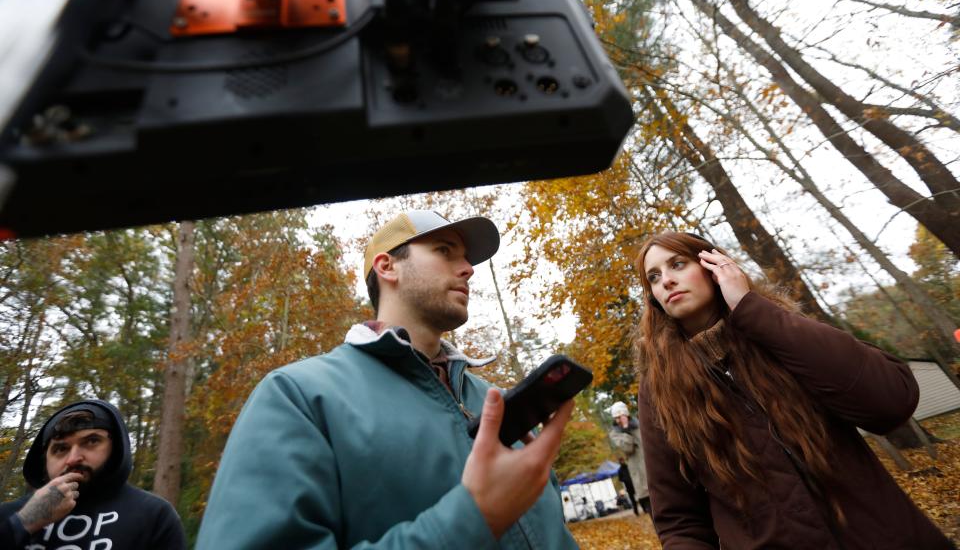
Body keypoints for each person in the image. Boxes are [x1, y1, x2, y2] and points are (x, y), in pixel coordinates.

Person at [196, 210, 579, 549]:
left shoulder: (489, 399)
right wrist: (473, 518)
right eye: (445, 251)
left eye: (465, 258)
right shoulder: (299, 397)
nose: (467, 268)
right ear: (387, 266)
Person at [635, 231, 954, 549]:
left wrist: (750, 308)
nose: (666, 281)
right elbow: (679, 520)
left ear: (715, 265)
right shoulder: (660, 391)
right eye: (654, 277)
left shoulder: (780, 332)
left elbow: (891, 401)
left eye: (678, 264)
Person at [0, 399, 186, 549]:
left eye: (91, 441)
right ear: (44, 460)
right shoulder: (8, 515)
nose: (73, 458)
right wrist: (23, 523)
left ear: (116, 448)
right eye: (60, 448)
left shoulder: (153, 516)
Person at [608, 401, 649, 515]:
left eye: (620, 417)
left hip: (652, 469)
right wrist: (626, 429)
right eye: (616, 418)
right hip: (640, 475)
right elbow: (628, 448)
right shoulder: (615, 433)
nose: (618, 420)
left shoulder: (639, 425)